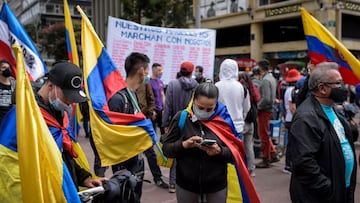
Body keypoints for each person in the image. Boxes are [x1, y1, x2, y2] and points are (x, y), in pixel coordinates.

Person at [162, 82, 245, 203]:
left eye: (209, 109)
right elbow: (167, 150)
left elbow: (236, 154)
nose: (204, 112)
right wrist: (184, 145)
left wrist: (219, 151)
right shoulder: (181, 118)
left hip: (216, 186)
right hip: (186, 185)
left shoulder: (224, 121)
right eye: (200, 107)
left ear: (216, 104)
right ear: (193, 100)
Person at [289, 62, 357, 203]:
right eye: (338, 83)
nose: (342, 88)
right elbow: (304, 162)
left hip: (341, 190)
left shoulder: (334, 110)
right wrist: (327, 188)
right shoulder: (306, 118)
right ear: (322, 88)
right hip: (323, 196)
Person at [108, 52, 150, 202]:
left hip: (136, 159)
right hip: (123, 163)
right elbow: (111, 134)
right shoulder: (119, 99)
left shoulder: (132, 95)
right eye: (147, 70)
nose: (147, 75)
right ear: (140, 71)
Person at [162, 61, 198, 193]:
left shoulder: (172, 84)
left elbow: (168, 106)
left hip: (175, 122)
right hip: (192, 122)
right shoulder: (197, 86)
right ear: (191, 71)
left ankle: (173, 183)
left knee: (176, 150)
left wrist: (165, 124)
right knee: (191, 151)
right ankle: (188, 182)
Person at [136, 76, 169, 189]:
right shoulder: (125, 84)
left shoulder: (145, 82)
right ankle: (135, 179)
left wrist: (151, 111)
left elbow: (151, 99)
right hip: (131, 124)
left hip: (144, 121)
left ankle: (158, 178)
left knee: (150, 152)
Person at [215, 59, 250, 139]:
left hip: (220, 126)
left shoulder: (216, 86)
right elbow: (247, 108)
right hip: (237, 127)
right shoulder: (241, 87)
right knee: (237, 150)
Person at [255, 59, 280, 168]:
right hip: (269, 109)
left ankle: (266, 158)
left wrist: (257, 107)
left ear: (260, 68)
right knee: (265, 133)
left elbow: (266, 98)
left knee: (263, 135)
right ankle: (273, 153)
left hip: (264, 110)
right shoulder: (272, 78)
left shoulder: (265, 80)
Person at [239, 72, 261, 177]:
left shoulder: (242, 89)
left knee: (240, 146)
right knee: (248, 145)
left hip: (243, 121)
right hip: (251, 121)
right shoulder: (253, 88)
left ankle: (242, 169)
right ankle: (251, 169)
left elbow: (244, 107)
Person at [282, 69, 303, 174]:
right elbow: (292, 107)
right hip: (292, 119)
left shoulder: (288, 89)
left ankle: (288, 164)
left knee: (291, 143)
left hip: (289, 119)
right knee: (292, 143)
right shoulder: (292, 90)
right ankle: (289, 165)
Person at [149, 63, 165, 135]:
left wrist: (164, 108)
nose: (160, 72)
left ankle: (163, 144)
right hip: (154, 110)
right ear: (153, 70)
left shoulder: (160, 82)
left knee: (163, 129)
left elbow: (162, 95)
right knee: (153, 129)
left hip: (160, 109)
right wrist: (152, 110)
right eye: (159, 70)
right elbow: (148, 97)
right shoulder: (149, 82)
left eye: (161, 70)